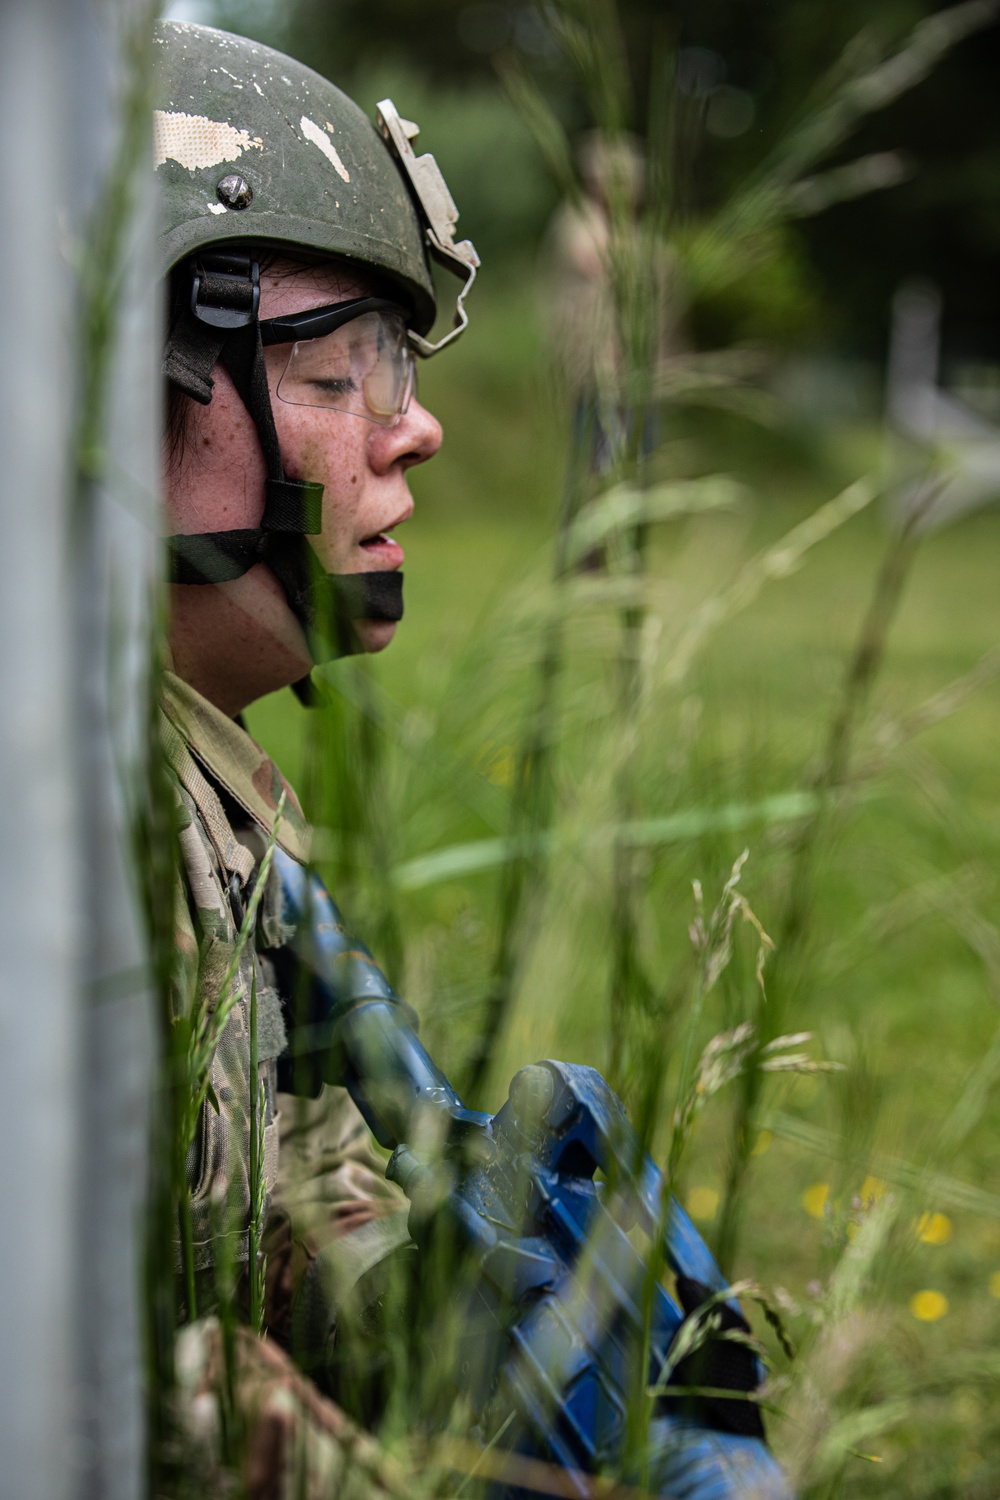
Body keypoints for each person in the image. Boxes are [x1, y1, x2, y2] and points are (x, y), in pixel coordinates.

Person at [154, 18, 478, 1494]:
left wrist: (423, 1300)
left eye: (393, 362)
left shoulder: (187, 782)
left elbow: (272, 1158)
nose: (411, 432)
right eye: (338, 370)